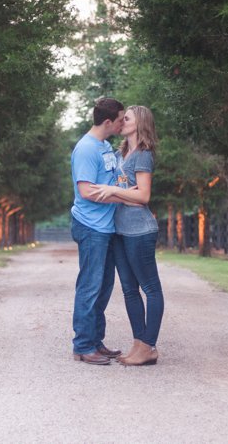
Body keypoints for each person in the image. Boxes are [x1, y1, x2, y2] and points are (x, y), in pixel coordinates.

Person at [88, 105, 162, 367]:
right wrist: (121, 193)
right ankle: (139, 345)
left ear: (139, 123)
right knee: (130, 290)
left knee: (150, 288)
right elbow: (126, 193)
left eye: (126, 118)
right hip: (120, 229)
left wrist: (113, 191)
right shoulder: (122, 153)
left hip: (139, 231)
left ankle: (149, 346)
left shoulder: (142, 155)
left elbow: (143, 196)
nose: (121, 121)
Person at [69, 96, 126, 365]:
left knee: (103, 287)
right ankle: (82, 345)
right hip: (91, 226)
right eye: (120, 120)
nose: (122, 123)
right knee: (90, 286)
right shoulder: (86, 149)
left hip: (106, 227)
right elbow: (86, 190)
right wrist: (125, 197)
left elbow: (111, 180)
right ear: (107, 121)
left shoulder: (105, 145)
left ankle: (95, 340)